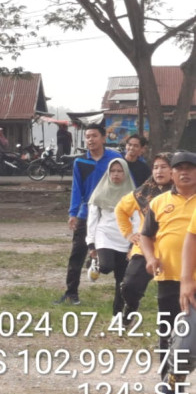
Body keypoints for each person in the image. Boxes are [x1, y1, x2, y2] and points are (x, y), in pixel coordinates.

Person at [140, 151, 196, 394]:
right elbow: (145, 235)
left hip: (192, 279)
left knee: (190, 333)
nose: (185, 172)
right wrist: (150, 258)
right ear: (171, 174)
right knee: (170, 331)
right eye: (179, 168)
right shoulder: (158, 202)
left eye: (190, 168)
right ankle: (169, 381)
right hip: (170, 277)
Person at [58, 124, 122, 305]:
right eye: (87, 137)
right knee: (76, 253)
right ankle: (71, 293)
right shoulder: (80, 162)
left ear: (103, 138)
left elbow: (123, 184)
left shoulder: (115, 159)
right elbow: (76, 189)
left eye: (94, 136)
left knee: (118, 254)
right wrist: (73, 213)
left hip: (110, 214)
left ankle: (122, 295)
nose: (90, 140)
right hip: (86, 213)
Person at [116, 152, 172, 325]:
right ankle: (131, 308)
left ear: (173, 170)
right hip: (144, 247)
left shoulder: (183, 193)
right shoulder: (142, 193)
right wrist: (128, 233)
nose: (158, 171)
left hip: (172, 251)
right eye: (155, 167)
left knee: (171, 295)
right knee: (129, 286)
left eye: (164, 167)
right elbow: (120, 209)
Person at [85, 158, 134, 318]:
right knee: (107, 267)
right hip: (104, 235)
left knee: (122, 281)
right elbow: (92, 219)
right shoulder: (100, 192)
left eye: (119, 171)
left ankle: (117, 314)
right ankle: (97, 263)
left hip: (125, 238)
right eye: (112, 171)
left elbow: (138, 219)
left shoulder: (133, 194)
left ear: (125, 173)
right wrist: (91, 243)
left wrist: (135, 242)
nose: (116, 174)